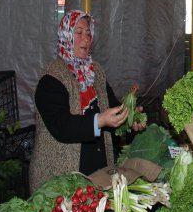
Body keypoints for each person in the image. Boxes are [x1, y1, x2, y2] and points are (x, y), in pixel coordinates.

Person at [29, 10, 145, 193]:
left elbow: (111, 105)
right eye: (79, 32)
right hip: (60, 180)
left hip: (97, 175)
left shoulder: (95, 72)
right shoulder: (51, 79)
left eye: (89, 33)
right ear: (66, 36)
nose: (86, 38)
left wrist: (129, 116)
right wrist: (99, 121)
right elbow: (62, 127)